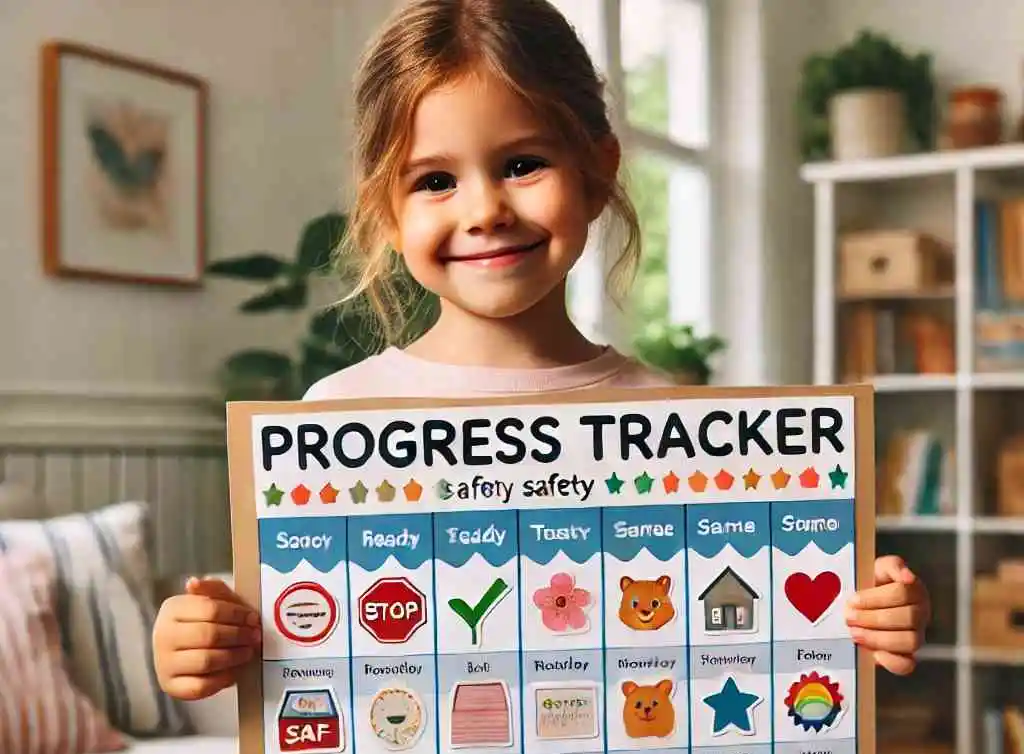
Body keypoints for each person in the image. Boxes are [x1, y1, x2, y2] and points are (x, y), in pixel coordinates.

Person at [152, 0, 930, 701]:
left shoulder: (670, 418)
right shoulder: (335, 420)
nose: (485, 209)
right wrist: (201, 641)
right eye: (433, 180)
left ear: (597, 173)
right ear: (386, 211)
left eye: (523, 165)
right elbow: (297, 631)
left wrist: (872, 613)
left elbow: (744, 628)